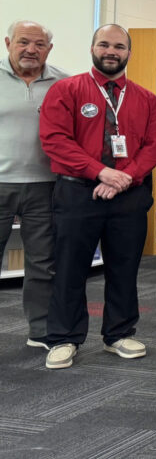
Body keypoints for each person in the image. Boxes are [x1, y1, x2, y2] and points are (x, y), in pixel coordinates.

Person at [37, 24, 156, 369]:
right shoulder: (66, 90)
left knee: (124, 268)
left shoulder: (147, 99)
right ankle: (63, 338)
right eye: (104, 44)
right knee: (69, 268)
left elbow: (154, 146)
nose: (111, 51)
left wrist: (124, 178)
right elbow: (55, 140)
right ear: (92, 48)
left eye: (119, 46)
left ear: (129, 53)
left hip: (129, 195)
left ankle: (119, 334)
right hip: (78, 193)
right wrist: (101, 172)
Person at [0, 20, 67, 350]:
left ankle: (40, 330)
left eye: (39, 44)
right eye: (24, 42)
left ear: (49, 49)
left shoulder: (64, 83)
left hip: (45, 186)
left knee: (43, 262)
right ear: (8, 43)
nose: (31, 50)